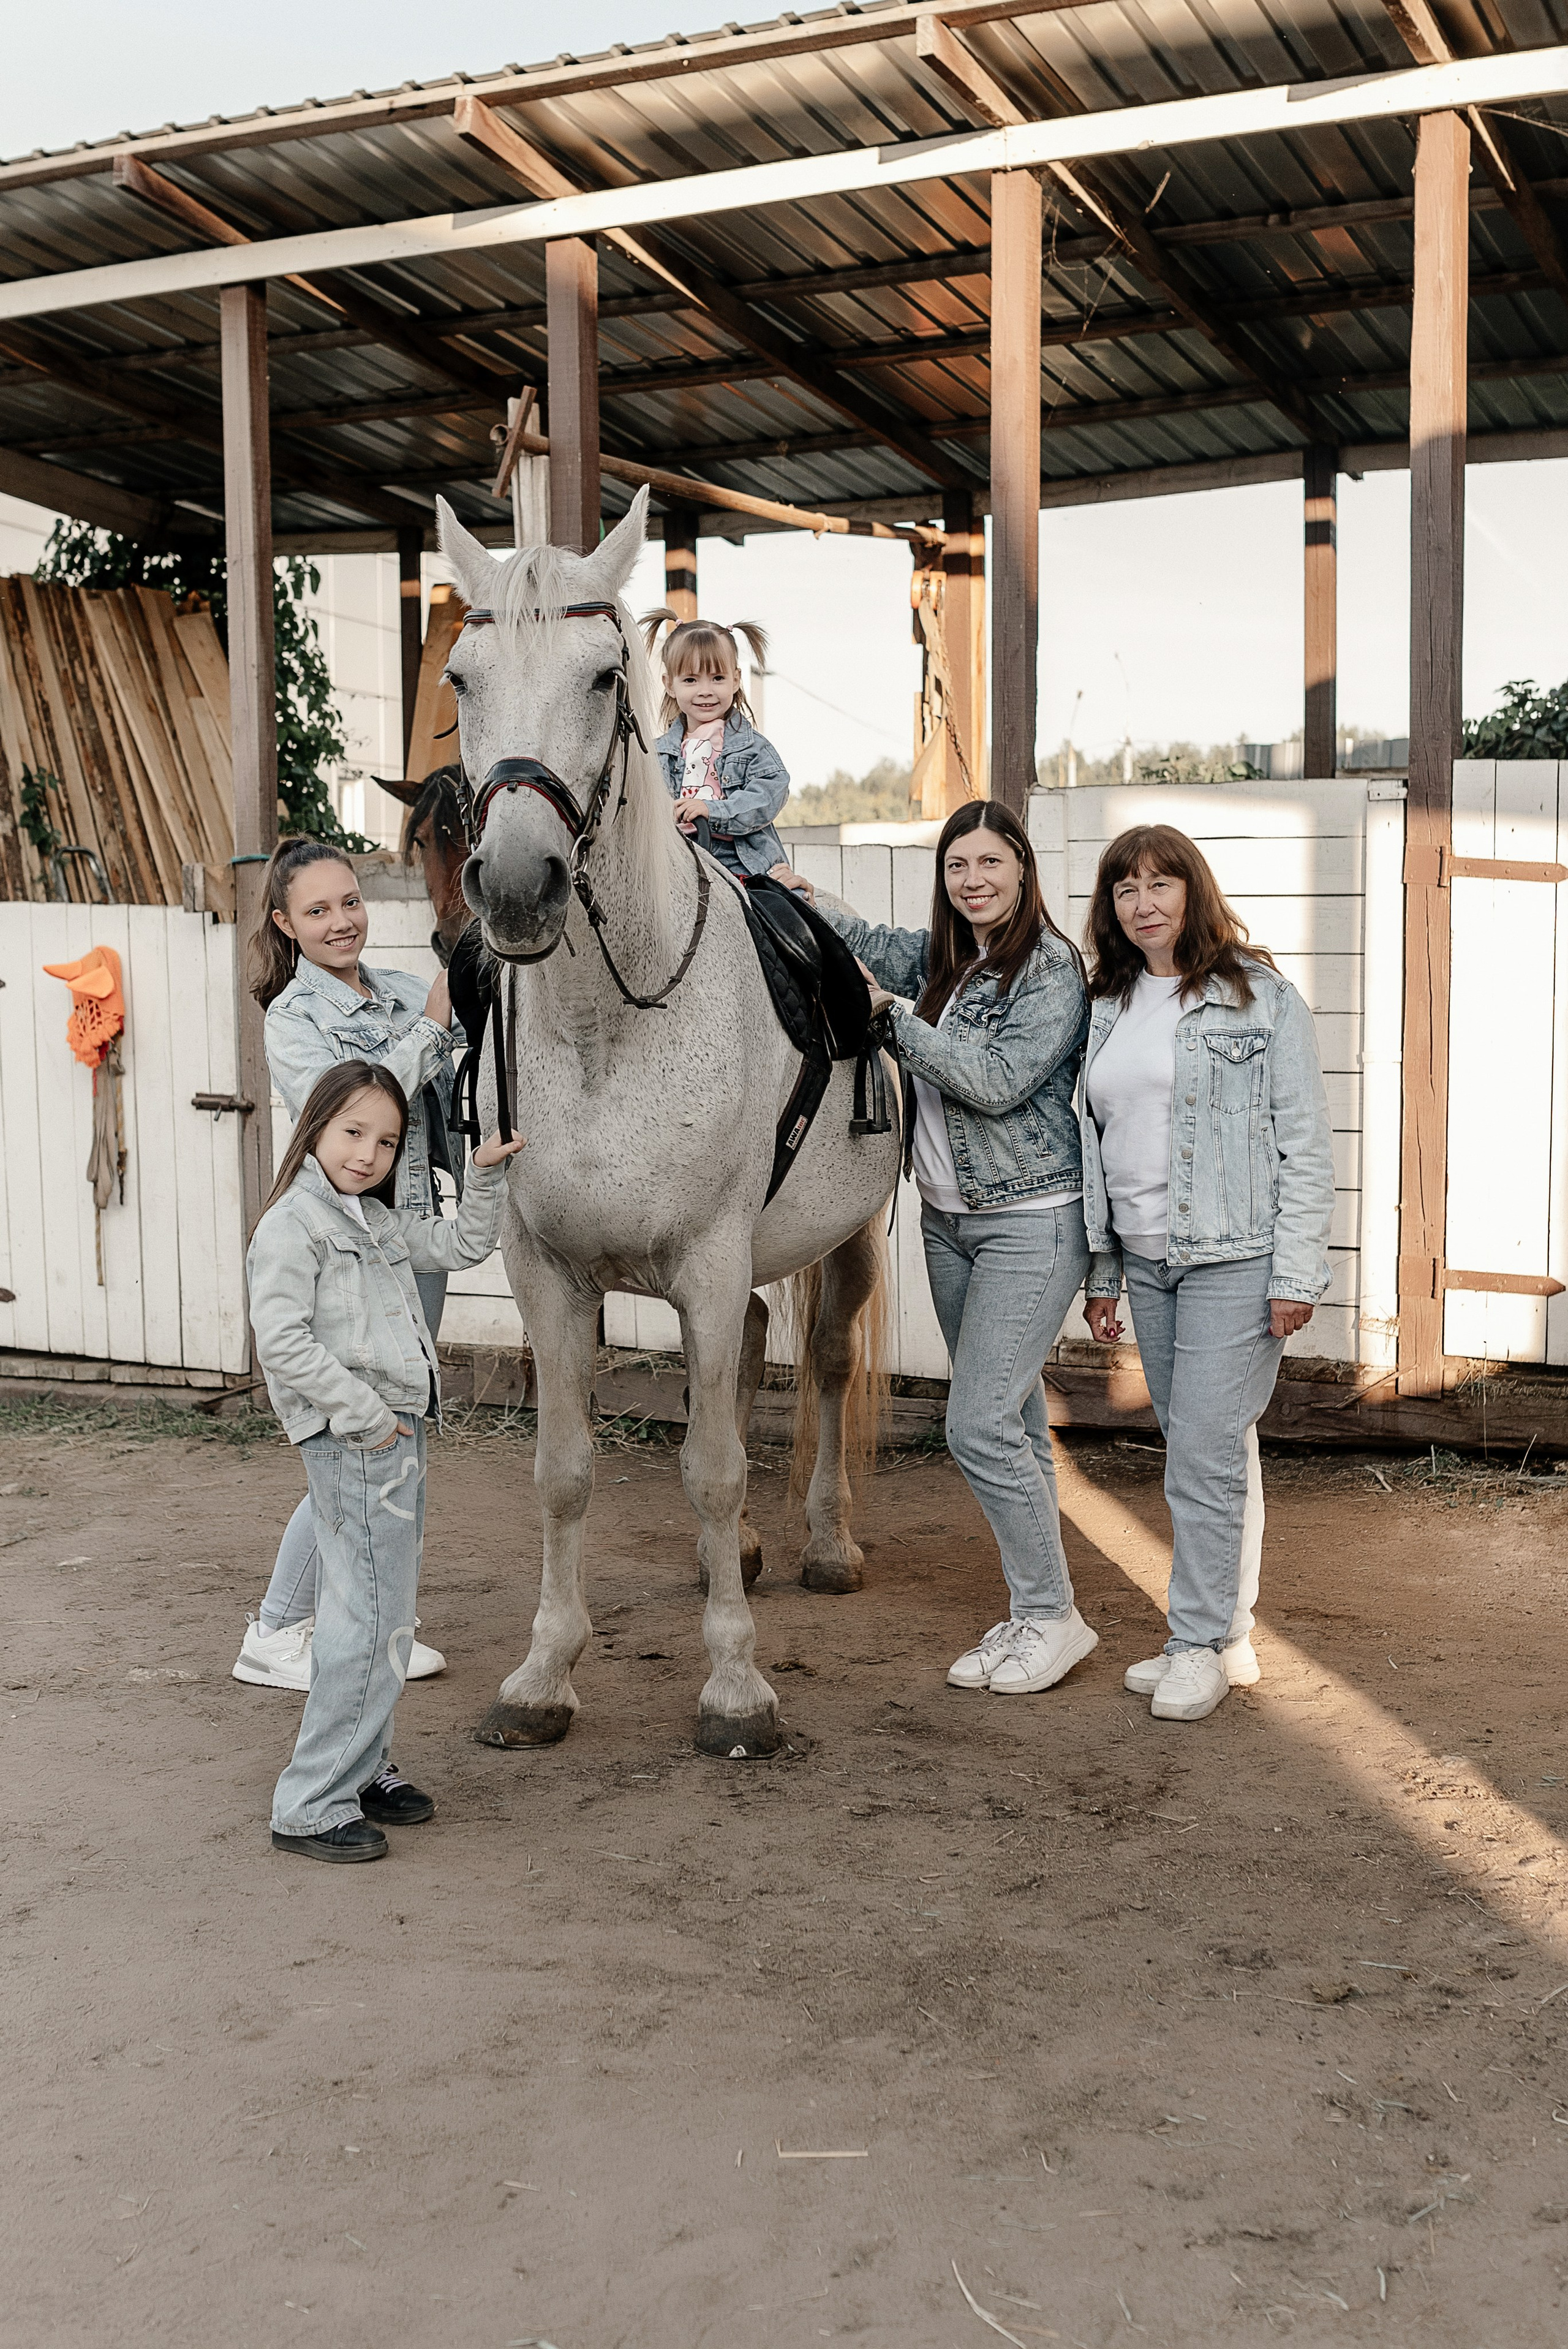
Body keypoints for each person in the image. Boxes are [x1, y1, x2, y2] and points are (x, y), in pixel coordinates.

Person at [794, 800, 1098, 1696]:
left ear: (1022, 868)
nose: (972, 880)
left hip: (1031, 1220)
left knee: (973, 1425)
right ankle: (1037, 1606)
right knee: (1014, 1424)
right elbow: (868, 939)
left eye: (989, 863)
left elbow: (998, 1083)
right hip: (952, 1221)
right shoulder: (949, 957)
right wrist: (796, 892)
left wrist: (891, 1019)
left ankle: (1052, 1617)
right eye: (957, 866)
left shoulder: (1049, 969)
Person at [1079, 825, 1335, 1723]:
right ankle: (1227, 1637)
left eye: (1160, 884)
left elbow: (1305, 1146)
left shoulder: (1259, 996)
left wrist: (1298, 1271)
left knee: (1203, 1450)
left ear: (1194, 891)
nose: (1143, 903)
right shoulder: (1105, 1003)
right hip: (1147, 1258)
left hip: (1238, 1257)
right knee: (1212, 1446)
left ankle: (1194, 1641)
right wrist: (1103, 1268)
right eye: (1125, 889)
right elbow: (1100, 1145)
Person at [249, 1059, 522, 1861]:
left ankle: (360, 1765)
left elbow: (463, 1242)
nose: (367, 1153)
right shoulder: (294, 1225)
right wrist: (366, 1415)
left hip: (394, 1434)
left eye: (386, 1140)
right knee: (363, 1619)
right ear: (316, 1127)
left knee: (387, 1616)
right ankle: (310, 1801)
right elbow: (284, 1339)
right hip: (357, 1437)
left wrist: (482, 1175)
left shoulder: (369, 1219)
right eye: (352, 1132)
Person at [232, 836, 462, 1695]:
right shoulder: (292, 1019)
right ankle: (278, 1627)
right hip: (343, 1244)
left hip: (407, 1233)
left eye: (351, 901)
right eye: (319, 910)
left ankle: (366, 1618)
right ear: (287, 925)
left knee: (400, 1427)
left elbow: (465, 1069)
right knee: (350, 1438)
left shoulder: (402, 988)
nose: (341, 921)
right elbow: (364, 1108)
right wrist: (435, 1030)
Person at [643, 613, 791, 880]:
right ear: (669, 685)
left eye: (718, 678)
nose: (705, 690)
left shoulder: (752, 748)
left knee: (790, 908)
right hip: (675, 860)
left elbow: (770, 794)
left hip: (742, 863)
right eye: (691, 680)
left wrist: (713, 810)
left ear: (736, 680)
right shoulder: (655, 756)